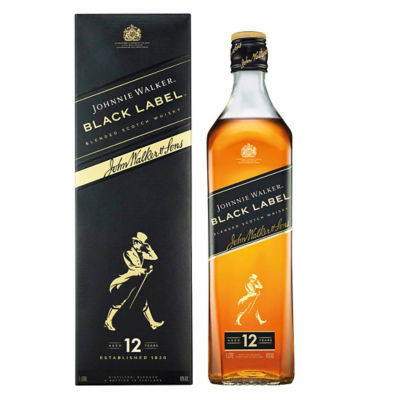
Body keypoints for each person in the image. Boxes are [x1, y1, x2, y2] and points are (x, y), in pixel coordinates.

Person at [104, 232, 164, 331]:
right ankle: (108, 321)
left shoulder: (142, 254)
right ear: (134, 242)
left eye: (141, 244)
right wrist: (145, 270)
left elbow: (155, 257)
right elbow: (133, 268)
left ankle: (152, 323)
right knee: (120, 300)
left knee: (143, 300)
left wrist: (149, 249)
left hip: (137, 280)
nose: (139, 245)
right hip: (128, 280)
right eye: (138, 243)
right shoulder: (128, 253)